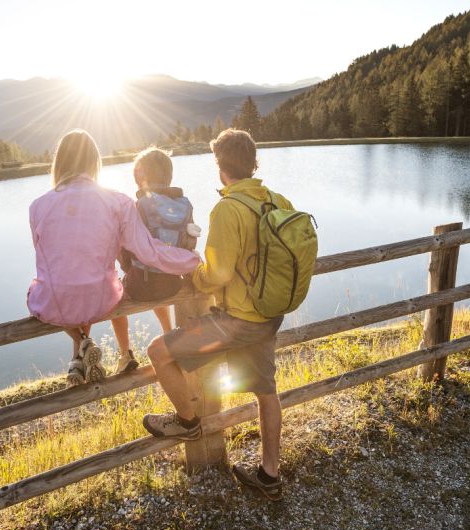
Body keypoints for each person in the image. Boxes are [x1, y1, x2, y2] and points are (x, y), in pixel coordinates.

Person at [143, 129, 294, 501]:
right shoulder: (277, 200)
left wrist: (194, 276)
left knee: (158, 352)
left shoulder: (227, 208)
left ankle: (187, 422)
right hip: (269, 314)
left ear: (220, 166)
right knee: (266, 390)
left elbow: (218, 273)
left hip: (236, 323)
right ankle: (270, 475)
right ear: (253, 162)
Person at [27, 130, 200, 386]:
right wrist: (190, 259)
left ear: (59, 162)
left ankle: (81, 343)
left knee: (37, 291)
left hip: (54, 303)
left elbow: (44, 258)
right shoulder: (118, 202)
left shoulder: (37, 206)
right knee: (100, 282)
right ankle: (88, 348)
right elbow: (148, 252)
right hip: (103, 299)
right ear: (94, 161)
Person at [110, 147, 200, 374]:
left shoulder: (137, 205)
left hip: (142, 285)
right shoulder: (185, 204)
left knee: (114, 290)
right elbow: (189, 243)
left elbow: (126, 248)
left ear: (140, 178)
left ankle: (125, 353)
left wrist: (127, 268)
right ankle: (169, 332)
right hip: (173, 283)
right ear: (168, 176)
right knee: (156, 270)